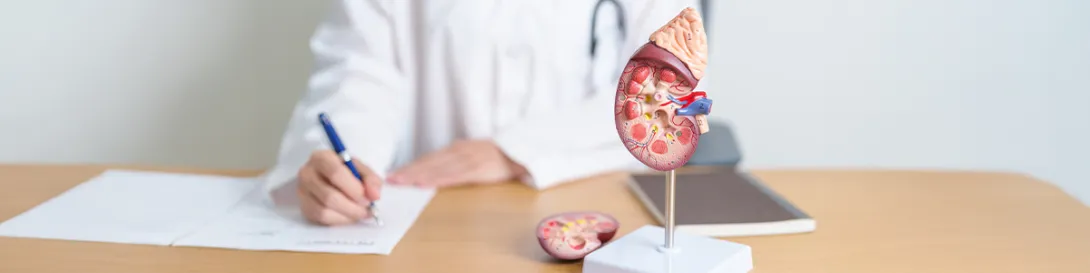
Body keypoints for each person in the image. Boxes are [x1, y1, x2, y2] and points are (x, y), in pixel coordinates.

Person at [261, 0, 703, 225]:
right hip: (429, 219)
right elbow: (362, 65)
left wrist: (515, 150)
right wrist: (347, 162)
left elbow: (673, 89)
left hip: (590, 202)